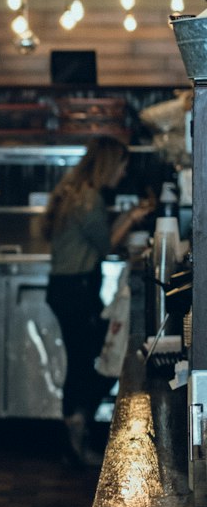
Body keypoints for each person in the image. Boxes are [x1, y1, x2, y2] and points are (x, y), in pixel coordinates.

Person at [43, 136, 153, 466]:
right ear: (108, 164)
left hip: (65, 287)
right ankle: (75, 431)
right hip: (76, 288)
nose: (122, 174)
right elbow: (106, 246)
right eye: (121, 166)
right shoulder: (89, 199)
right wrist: (133, 218)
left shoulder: (76, 193)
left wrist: (130, 215)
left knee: (82, 360)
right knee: (103, 360)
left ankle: (73, 437)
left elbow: (101, 239)